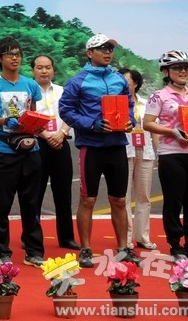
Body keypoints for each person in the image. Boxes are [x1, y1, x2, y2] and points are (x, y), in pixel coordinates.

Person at [59, 34, 139, 269]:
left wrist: (130, 121)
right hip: (91, 148)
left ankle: (123, 249)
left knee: (119, 200)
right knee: (88, 200)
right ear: (89, 53)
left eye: (110, 49)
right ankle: (85, 249)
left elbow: (129, 105)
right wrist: (91, 124)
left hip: (117, 146)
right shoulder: (78, 81)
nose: (107, 52)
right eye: (102, 48)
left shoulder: (118, 79)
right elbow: (66, 110)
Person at [0, 36, 45, 267]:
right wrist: (4, 120)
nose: (15, 58)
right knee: (1, 205)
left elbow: (33, 114)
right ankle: (2, 252)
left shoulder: (31, 85)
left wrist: (36, 126)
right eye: (10, 54)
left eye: (18, 54)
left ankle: (34, 251)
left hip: (30, 150)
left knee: (31, 203)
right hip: (3, 150)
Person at [142, 51, 188, 264]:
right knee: (174, 201)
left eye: (186, 67)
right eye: (177, 67)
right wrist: (172, 131)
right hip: (171, 154)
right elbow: (147, 123)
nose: (183, 71)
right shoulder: (159, 96)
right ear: (165, 71)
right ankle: (175, 245)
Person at [32, 55, 80, 251]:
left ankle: (66, 237)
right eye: (40, 67)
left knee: (63, 193)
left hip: (61, 142)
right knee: (35, 193)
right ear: (33, 70)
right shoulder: (29, 90)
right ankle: (32, 237)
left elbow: (72, 113)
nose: (44, 71)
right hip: (37, 144)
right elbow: (27, 116)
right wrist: (46, 136)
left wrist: (62, 133)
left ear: (53, 70)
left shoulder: (63, 91)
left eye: (48, 67)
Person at [121, 67, 157, 251]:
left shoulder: (146, 103)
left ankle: (142, 236)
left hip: (146, 150)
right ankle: (126, 239)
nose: (123, 84)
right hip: (125, 150)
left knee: (144, 196)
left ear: (135, 83)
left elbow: (154, 128)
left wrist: (159, 151)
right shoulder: (117, 102)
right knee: (124, 197)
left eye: (126, 81)